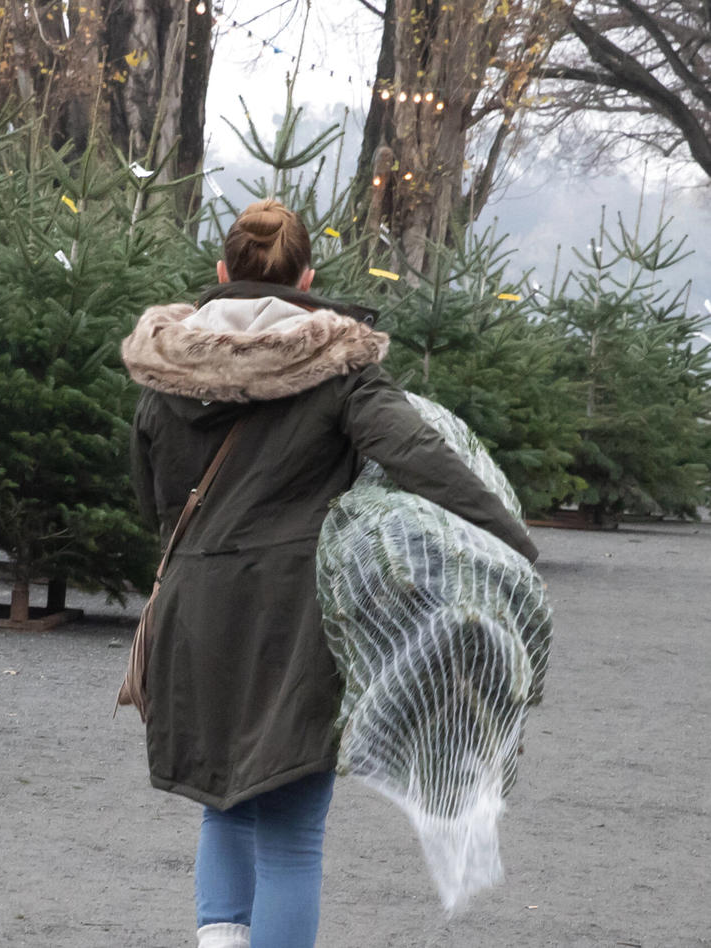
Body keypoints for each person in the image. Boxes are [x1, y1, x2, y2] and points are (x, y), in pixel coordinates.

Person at [117, 199, 539, 948]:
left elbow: (152, 498)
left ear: (221, 274)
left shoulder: (167, 369)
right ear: (307, 277)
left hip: (198, 606)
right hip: (295, 619)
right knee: (289, 830)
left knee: (222, 798)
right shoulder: (339, 369)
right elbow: (420, 457)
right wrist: (510, 540)